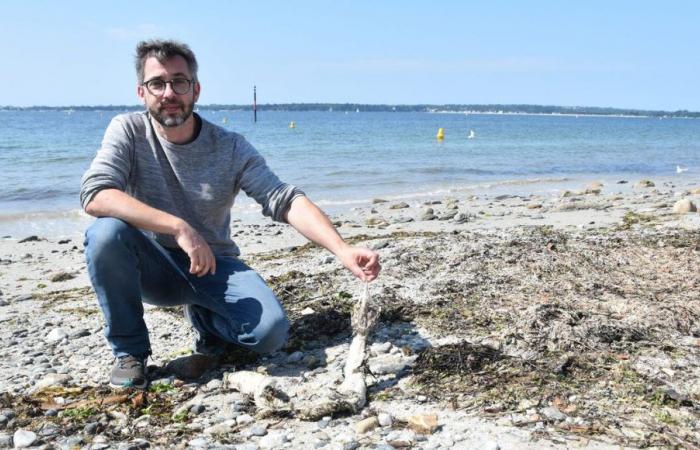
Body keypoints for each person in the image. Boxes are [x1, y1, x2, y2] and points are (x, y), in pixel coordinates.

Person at [80, 39, 380, 389]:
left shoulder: (230, 146)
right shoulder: (128, 130)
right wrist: (178, 228)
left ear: (196, 89)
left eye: (179, 81)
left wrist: (342, 249)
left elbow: (284, 199)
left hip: (214, 266)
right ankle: (130, 353)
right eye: (157, 83)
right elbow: (96, 194)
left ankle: (207, 323)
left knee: (269, 334)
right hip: (151, 266)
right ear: (141, 92)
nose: (168, 92)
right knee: (105, 234)